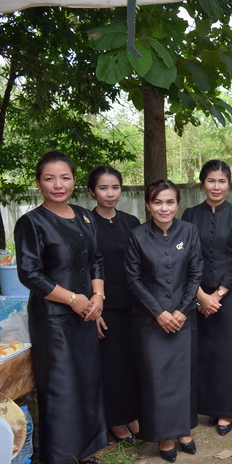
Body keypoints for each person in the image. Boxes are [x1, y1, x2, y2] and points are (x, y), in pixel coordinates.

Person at [15, 151, 106, 464]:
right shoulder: (31, 222)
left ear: (74, 180)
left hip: (85, 314)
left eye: (64, 177)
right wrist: (72, 299)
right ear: (39, 183)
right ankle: (60, 461)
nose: (58, 185)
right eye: (49, 178)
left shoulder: (84, 216)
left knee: (87, 381)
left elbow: (96, 259)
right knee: (61, 386)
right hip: (53, 319)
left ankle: (84, 448)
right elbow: (30, 273)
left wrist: (97, 296)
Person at [125, 179, 203, 462]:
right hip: (150, 321)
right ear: (148, 205)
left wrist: (182, 310)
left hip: (184, 318)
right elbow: (133, 279)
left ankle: (183, 431)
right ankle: (164, 436)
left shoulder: (189, 231)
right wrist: (159, 312)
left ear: (177, 204)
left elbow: (196, 273)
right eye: (157, 202)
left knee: (184, 377)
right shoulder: (137, 235)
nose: (164, 208)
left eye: (169, 202)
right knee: (157, 379)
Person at [182, 160, 232, 436]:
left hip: (229, 295)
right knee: (204, 352)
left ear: (229, 185)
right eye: (211, 180)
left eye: (222, 181)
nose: (216, 186)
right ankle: (208, 406)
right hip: (196, 293)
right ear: (203, 183)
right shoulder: (190, 215)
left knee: (228, 353)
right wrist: (200, 295)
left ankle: (227, 411)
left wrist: (219, 294)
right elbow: (185, 256)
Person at [88, 165, 142, 444]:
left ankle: (132, 415)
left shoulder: (131, 222)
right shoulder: (85, 223)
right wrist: (94, 311)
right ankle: (115, 420)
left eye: (115, 187)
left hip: (134, 306)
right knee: (112, 367)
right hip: (104, 309)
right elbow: (85, 267)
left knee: (132, 364)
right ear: (92, 191)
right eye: (103, 188)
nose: (110, 194)